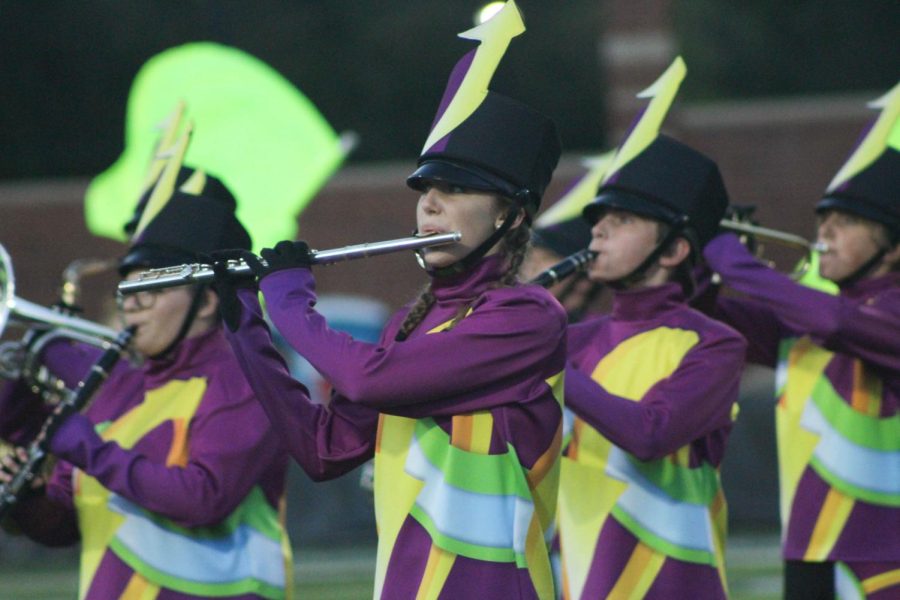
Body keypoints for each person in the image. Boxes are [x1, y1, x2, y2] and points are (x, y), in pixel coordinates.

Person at [218, 3, 567, 598]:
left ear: (509, 213)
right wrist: (243, 319)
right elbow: (323, 450)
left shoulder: (527, 320)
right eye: (424, 189)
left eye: (454, 189)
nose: (429, 205)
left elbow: (371, 381)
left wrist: (290, 301)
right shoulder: (416, 327)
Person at [0, 169, 294, 599]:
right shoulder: (116, 387)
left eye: (153, 286)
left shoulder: (248, 380)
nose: (132, 301)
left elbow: (205, 499)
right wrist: (26, 500)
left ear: (207, 300)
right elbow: (67, 524)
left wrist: (89, 449)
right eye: (130, 286)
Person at [701, 92, 900, 598]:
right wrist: (697, 269)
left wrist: (734, 260)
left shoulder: (879, 310)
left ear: (893, 245)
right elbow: (716, 320)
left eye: (846, 222)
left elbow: (834, 321)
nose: (825, 233)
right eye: (821, 221)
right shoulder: (808, 316)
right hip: (806, 545)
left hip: (882, 549)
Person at [557, 131, 747, 598]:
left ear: (673, 250)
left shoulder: (714, 344)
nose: (598, 229)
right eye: (599, 218)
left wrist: (539, 356)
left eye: (621, 220)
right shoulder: (571, 341)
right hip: (581, 580)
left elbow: (650, 433)